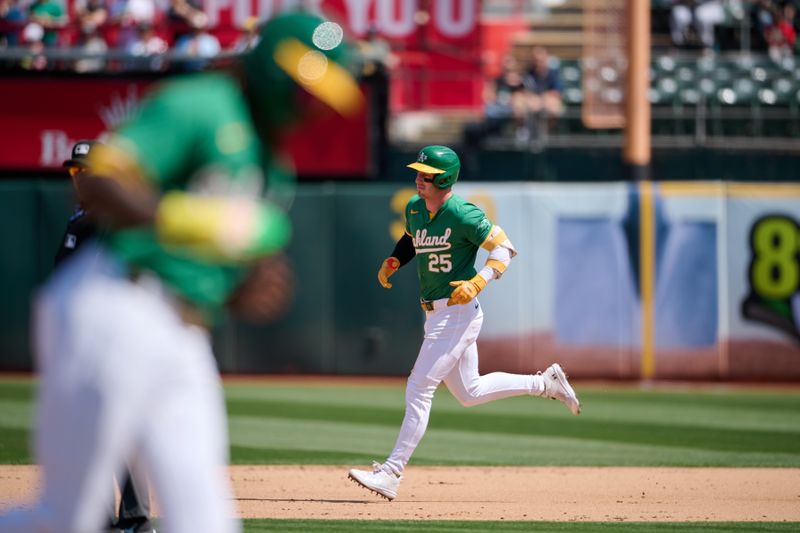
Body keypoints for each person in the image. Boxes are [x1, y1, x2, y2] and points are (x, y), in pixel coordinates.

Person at [0, 11, 362, 533]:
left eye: (320, 97)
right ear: (269, 68)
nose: (310, 108)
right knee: (68, 518)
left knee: (206, 523)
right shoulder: (201, 105)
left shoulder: (272, 165)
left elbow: (219, 261)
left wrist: (241, 290)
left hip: (184, 334)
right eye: (304, 88)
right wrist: (185, 218)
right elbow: (99, 181)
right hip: (114, 305)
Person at [347, 145, 581, 501]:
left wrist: (479, 280)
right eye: (418, 172)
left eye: (425, 175)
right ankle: (544, 383)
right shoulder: (414, 208)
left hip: (457, 312)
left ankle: (392, 472)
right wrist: (395, 260)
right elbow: (412, 239)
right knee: (469, 392)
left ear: (443, 179)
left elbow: (504, 249)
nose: (417, 179)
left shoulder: (463, 214)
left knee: (418, 388)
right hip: (437, 313)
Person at [57, 140, 156, 533]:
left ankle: (135, 518)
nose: (79, 178)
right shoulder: (82, 217)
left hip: (116, 340)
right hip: (81, 341)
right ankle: (99, 519)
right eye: (75, 171)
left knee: (121, 429)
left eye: (86, 171)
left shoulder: (110, 220)